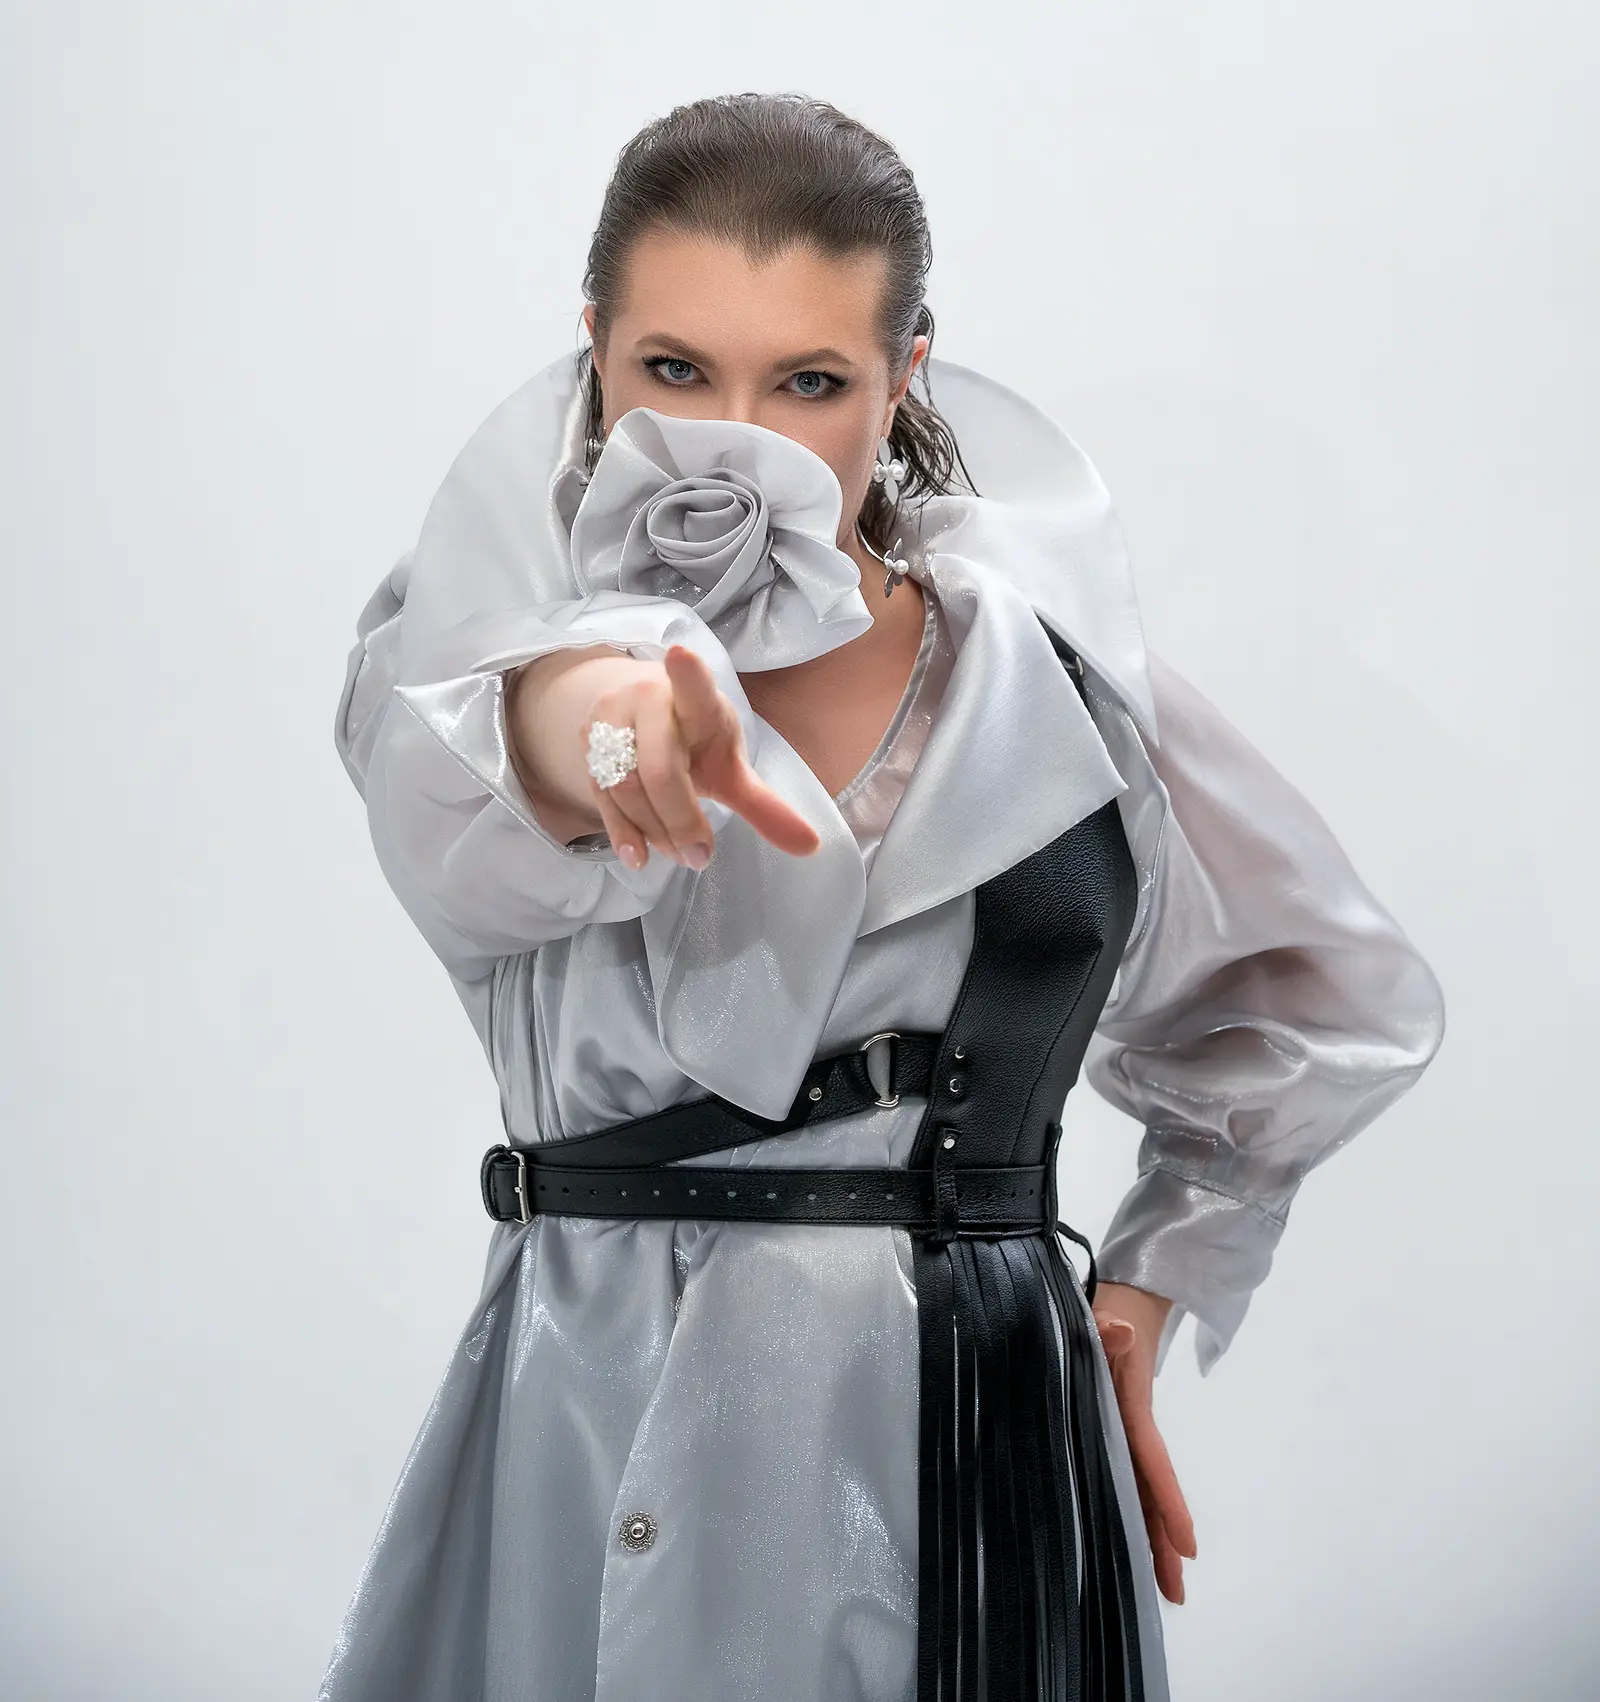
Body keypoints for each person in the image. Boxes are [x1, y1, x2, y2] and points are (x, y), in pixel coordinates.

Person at [322, 93, 1445, 1702]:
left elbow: (1302, 997)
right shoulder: (474, 651)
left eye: (811, 381)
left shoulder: (1046, 676)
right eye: (675, 369)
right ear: (593, 349)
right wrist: (603, 726)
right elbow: (489, 758)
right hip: (604, 1390)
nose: (737, 439)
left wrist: (1141, 1291)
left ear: (905, 372)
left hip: (981, 1434)